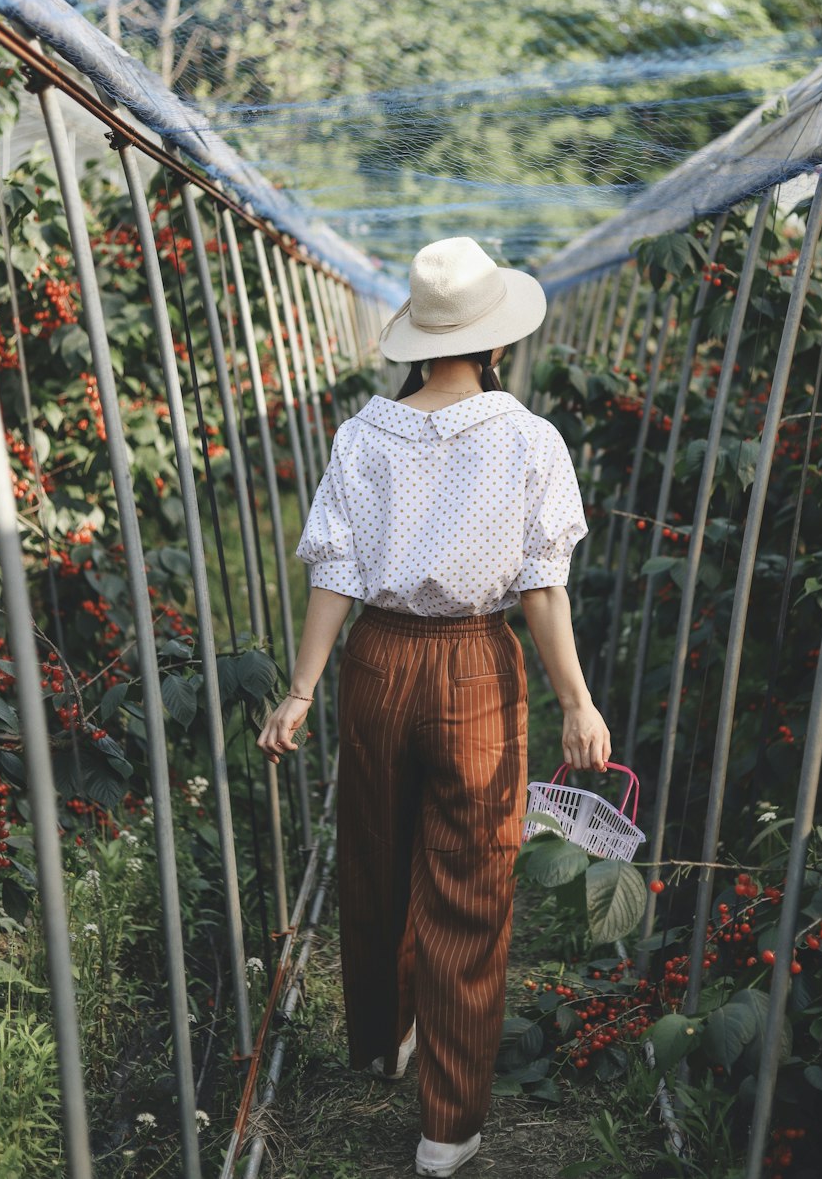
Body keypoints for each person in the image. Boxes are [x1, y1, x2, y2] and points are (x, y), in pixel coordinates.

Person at [257, 236, 612, 1178]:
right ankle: (446, 1128)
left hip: (378, 660)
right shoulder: (530, 438)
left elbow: (334, 570)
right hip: (477, 669)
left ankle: (388, 1036)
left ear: (418, 338)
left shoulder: (362, 434)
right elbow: (542, 587)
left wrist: (301, 690)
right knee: (470, 882)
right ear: (494, 342)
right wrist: (576, 699)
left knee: (378, 850)